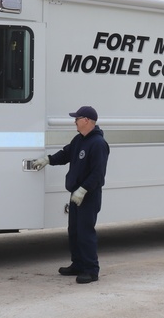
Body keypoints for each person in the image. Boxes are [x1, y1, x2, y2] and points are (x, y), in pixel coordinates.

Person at [31, 106, 110, 284]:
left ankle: (91, 270)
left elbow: (98, 173)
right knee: (74, 231)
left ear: (87, 120)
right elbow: (65, 154)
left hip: (88, 196)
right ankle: (78, 264)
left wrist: (83, 190)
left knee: (85, 232)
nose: (74, 121)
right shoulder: (79, 140)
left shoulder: (98, 144)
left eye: (77, 118)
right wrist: (48, 160)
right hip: (75, 195)